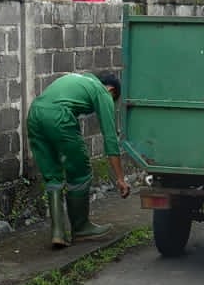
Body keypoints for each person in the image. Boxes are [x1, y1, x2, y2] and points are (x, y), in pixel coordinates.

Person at [26, 71, 131, 247]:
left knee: (53, 175)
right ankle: (81, 228)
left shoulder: (82, 79)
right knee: (80, 172)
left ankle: (58, 233)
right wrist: (120, 178)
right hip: (58, 117)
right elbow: (110, 138)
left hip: (34, 114)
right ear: (112, 90)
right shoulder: (103, 92)